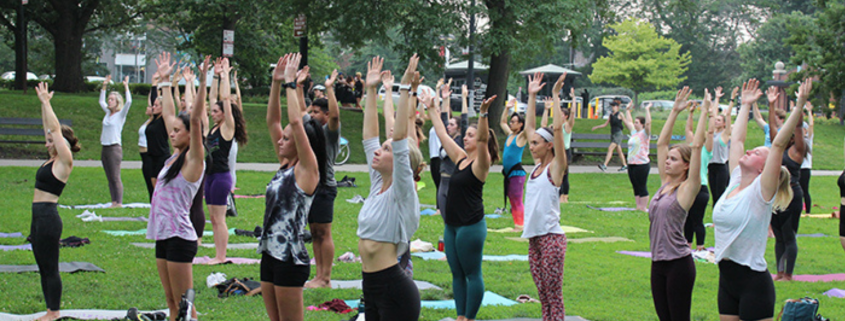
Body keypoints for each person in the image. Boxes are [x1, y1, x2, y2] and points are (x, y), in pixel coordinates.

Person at [713, 78, 806, 321]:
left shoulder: (761, 192)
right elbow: (738, 140)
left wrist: (798, 107)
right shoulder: (734, 180)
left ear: (765, 170)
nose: (750, 150)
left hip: (753, 284)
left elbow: (777, 145)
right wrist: (744, 105)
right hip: (727, 279)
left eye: (757, 153)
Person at [259, 53, 327, 321]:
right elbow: (274, 122)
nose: (280, 141)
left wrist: (291, 85)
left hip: (290, 258)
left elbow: (296, 123)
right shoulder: (286, 164)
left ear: (300, 143)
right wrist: (276, 83)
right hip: (269, 254)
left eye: (286, 139)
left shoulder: (307, 170)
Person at [356, 55, 425, 320]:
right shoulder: (378, 185)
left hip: (394, 289)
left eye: (385, 150)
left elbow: (398, 140)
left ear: (400, 163)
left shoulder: (402, 191)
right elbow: (369, 137)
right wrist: (371, 90)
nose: (377, 151)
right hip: (370, 286)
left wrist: (405, 88)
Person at [428, 74, 499, 321]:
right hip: (452, 226)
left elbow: (482, 138)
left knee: (472, 273)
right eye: (465, 135)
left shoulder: (482, 163)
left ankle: (470, 317)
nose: (466, 138)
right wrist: (432, 108)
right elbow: (441, 133)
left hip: (471, 227)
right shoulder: (459, 158)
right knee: (456, 274)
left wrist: (482, 114)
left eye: (469, 135)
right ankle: (460, 316)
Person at [146, 52, 209, 321]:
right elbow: (172, 113)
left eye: (177, 131)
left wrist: (203, 82)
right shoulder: (173, 157)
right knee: (171, 301)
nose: (172, 134)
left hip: (180, 237)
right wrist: (163, 81)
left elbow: (193, 120)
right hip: (163, 234)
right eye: (171, 131)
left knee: (185, 306)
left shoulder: (194, 160)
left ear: (190, 134)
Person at [650, 86, 707, 321]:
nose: (667, 162)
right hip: (657, 263)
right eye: (668, 159)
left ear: (686, 165)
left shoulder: (687, 189)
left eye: (674, 160)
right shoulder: (665, 184)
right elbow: (661, 144)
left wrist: (704, 112)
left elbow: (696, 147)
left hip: (678, 264)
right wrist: (674, 111)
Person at [31, 82, 80, 321]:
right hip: (37, 216)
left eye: (51, 141)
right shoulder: (51, 160)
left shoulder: (64, 161)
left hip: (49, 217)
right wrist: (43, 104)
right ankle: (50, 309)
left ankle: (54, 312)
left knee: (50, 266)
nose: (47, 142)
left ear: (63, 144)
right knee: (41, 264)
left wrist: (48, 103)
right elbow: (48, 128)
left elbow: (55, 130)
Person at [521, 74, 569, 321]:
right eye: (531, 144)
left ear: (549, 145)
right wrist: (531, 96)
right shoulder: (536, 168)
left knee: (554, 296)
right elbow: (530, 129)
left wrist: (558, 97)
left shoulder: (555, 168)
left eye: (537, 144)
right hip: (535, 239)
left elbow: (558, 130)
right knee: (543, 294)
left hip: (551, 238)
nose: (531, 146)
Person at [294, 68, 341, 288]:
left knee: (324, 232)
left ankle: (326, 277)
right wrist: (299, 85)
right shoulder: (310, 128)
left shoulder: (330, 133)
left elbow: (336, 114)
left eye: (316, 112)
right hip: (311, 187)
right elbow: (299, 109)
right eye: (312, 112)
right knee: (314, 232)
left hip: (325, 187)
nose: (312, 115)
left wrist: (329, 88)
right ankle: (318, 276)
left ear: (326, 115)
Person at [205, 58, 249, 265]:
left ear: (224, 113)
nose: (212, 113)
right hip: (210, 176)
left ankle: (221, 256)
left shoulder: (226, 128)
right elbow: (213, 97)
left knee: (220, 218)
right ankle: (217, 254)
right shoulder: (212, 128)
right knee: (213, 218)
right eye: (212, 111)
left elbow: (223, 97)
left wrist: (225, 76)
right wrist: (213, 75)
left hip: (222, 176)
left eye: (215, 111)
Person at [768, 86, 806, 282]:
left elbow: (798, 127)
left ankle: (788, 274)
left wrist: (799, 107)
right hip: (776, 195)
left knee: (789, 236)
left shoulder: (797, 151)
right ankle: (780, 273)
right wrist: (772, 104)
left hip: (792, 195)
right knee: (779, 237)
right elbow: (773, 127)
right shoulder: (778, 148)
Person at [500, 75, 530, 231]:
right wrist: (507, 108)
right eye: (511, 121)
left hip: (517, 173)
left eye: (514, 121)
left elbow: (530, 126)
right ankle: (517, 224)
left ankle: (521, 225)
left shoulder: (521, 137)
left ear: (521, 124)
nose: (511, 123)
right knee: (512, 198)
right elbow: (502, 122)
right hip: (508, 173)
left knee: (517, 199)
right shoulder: (510, 135)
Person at [97, 75, 132, 208]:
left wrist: (126, 86)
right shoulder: (107, 113)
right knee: (109, 177)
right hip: (104, 147)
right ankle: (113, 201)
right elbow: (101, 102)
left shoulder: (120, 115)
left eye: (112, 99)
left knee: (115, 176)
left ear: (117, 102)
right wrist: (104, 86)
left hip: (114, 148)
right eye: (109, 99)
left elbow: (129, 102)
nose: (109, 101)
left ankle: (119, 202)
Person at [436, 83, 469, 219]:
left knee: (455, 216)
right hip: (442, 181)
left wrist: (464, 98)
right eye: (448, 124)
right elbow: (443, 119)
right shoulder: (446, 140)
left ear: (459, 128)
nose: (448, 126)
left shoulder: (460, 141)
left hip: (454, 181)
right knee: (445, 216)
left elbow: (465, 121)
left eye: (452, 124)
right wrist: (445, 99)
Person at [144, 76, 172, 201]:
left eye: (156, 106)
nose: (153, 107)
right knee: (152, 185)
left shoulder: (163, 120)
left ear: (162, 107)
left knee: (158, 185)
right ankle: (155, 207)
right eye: (153, 105)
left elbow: (167, 103)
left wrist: (165, 83)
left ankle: (162, 206)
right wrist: (154, 83)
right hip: (151, 156)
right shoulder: (153, 120)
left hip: (162, 156)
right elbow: (153, 98)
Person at [622, 101, 652, 211]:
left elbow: (649, 124)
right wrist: (627, 110)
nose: (635, 124)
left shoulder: (645, 134)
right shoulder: (634, 133)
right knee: (635, 185)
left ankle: (643, 207)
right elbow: (628, 121)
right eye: (635, 122)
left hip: (642, 164)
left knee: (641, 185)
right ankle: (638, 206)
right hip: (632, 163)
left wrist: (647, 110)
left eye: (637, 122)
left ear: (642, 124)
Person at [708, 87, 732, 207]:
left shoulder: (725, 134)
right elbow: (712, 114)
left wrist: (732, 99)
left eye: (719, 120)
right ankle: (714, 221)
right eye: (715, 120)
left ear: (724, 124)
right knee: (713, 194)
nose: (716, 121)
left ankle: (721, 217)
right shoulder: (712, 133)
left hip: (721, 167)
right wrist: (716, 98)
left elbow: (728, 116)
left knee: (720, 194)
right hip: (711, 166)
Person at [592, 101, 627, 172]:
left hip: (618, 133)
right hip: (613, 134)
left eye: (614, 106)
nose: (613, 108)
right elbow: (605, 124)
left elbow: (625, 122)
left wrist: (632, 129)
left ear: (617, 107)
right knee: (619, 150)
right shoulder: (611, 115)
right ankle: (624, 165)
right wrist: (597, 127)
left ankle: (605, 165)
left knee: (610, 148)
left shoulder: (620, 114)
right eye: (612, 106)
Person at [800, 102, 814, 213]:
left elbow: (811, 126)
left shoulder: (808, 140)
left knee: (805, 191)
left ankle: (808, 212)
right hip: (797, 168)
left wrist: (809, 112)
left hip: (805, 169)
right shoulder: (796, 140)